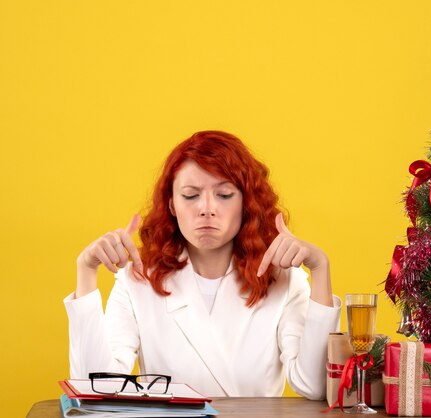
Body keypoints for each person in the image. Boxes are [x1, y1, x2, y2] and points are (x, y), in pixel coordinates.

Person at [64, 130, 340, 399]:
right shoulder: (138, 278)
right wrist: (86, 272)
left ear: (246, 204)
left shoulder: (283, 278)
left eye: (224, 195)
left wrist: (320, 269)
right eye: (190, 195)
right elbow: (95, 387)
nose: (207, 208)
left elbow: (314, 386)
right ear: (171, 204)